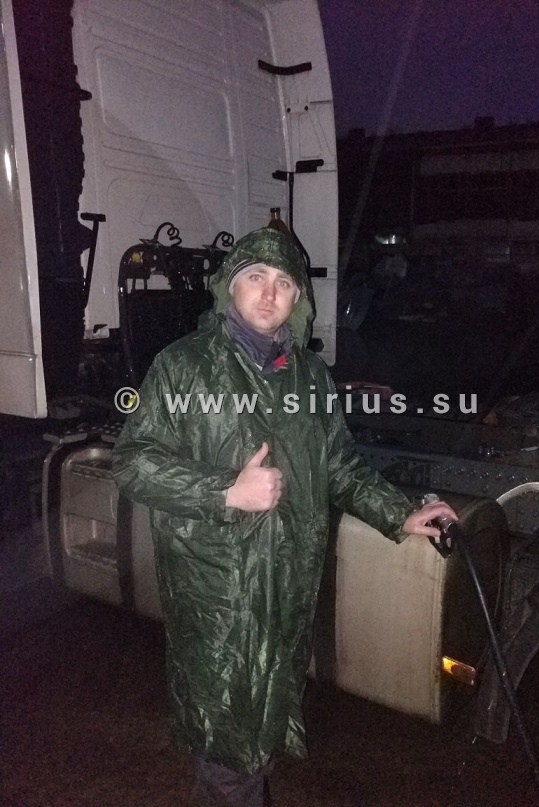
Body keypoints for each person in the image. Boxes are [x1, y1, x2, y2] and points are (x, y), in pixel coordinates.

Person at [112, 226, 457, 806]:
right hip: (215, 592)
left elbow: (338, 466)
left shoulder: (310, 376)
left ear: (299, 299)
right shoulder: (184, 366)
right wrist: (226, 490)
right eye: (255, 277)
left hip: (287, 586)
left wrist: (400, 514)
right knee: (227, 745)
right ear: (230, 286)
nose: (269, 293)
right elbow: (133, 461)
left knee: (263, 725)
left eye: (284, 282)